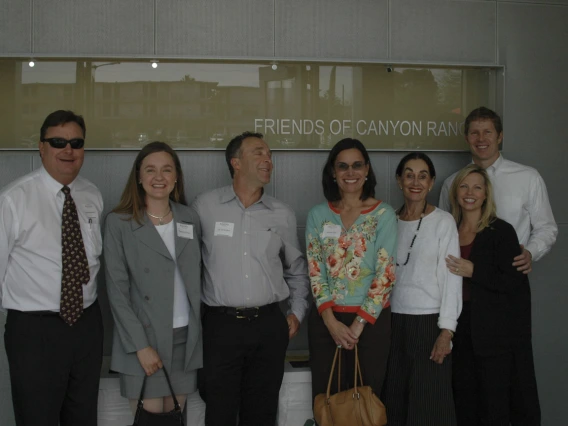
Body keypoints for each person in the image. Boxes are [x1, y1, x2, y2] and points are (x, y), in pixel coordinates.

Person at [191, 131, 310, 426]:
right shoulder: (204, 206)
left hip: (268, 327)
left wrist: (296, 312)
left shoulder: (282, 213)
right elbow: (187, 265)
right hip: (220, 326)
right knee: (219, 411)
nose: (267, 160)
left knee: (262, 412)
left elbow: (296, 269)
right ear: (236, 162)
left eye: (269, 155)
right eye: (258, 152)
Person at [0, 110, 103, 425]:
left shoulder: (91, 194)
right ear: (41, 147)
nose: (68, 150)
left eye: (76, 142)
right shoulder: (13, 199)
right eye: (58, 142)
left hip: (86, 325)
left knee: (82, 416)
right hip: (35, 330)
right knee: (37, 418)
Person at [104, 141, 202, 415]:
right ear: (138, 176)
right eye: (150, 170)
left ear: (176, 177)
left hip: (184, 339)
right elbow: (117, 292)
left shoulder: (189, 218)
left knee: (177, 417)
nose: (159, 177)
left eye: (166, 170)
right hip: (143, 340)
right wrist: (141, 346)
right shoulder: (119, 222)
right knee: (148, 418)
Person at [305, 138, 397, 413]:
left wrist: (357, 327)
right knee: (329, 403)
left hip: (370, 325)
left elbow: (385, 274)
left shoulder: (384, 214)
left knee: (365, 405)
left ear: (367, 169)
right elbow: (315, 270)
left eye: (357, 165)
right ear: (333, 172)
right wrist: (332, 323)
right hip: (327, 322)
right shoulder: (318, 215)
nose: (350, 172)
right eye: (342, 166)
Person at [445, 164, 540, 426]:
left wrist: (475, 271)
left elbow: (513, 282)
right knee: (464, 402)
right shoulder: (446, 229)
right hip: (458, 329)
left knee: (494, 406)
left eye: (477, 187)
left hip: (493, 335)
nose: (470, 192)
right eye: (464, 186)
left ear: (486, 194)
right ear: (456, 192)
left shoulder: (502, 231)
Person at [381, 152, 462, 426]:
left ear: (431, 182)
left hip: (430, 325)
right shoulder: (388, 221)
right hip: (392, 324)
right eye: (409, 174)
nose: (415, 181)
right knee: (395, 404)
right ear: (399, 180)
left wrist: (446, 331)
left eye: (422, 175)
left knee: (429, 408)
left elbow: (453, 281)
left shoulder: (443, 223)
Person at [439, 107, 557, 274]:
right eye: (474, 133)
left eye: (488, 132)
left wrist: (530, 252)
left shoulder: (528, 177)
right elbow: (444, 231)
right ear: (466, 138)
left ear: (499, 136)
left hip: (508, 276)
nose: (481, 139)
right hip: (461, 279)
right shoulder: (451, 183)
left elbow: (546, 227)